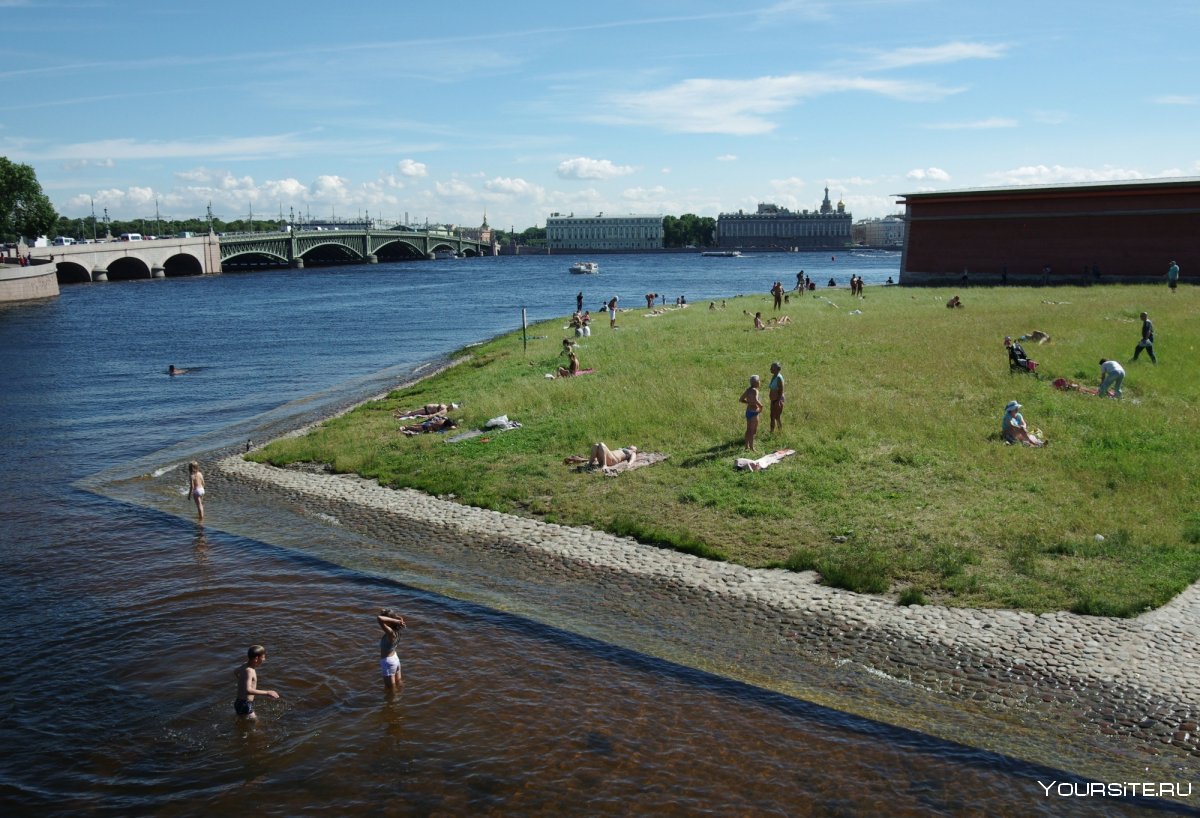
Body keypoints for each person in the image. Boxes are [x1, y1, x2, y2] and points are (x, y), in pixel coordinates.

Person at [233, 645, 280, 720]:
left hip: (238, 702)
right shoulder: (250, 671)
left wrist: (242, 681)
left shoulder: (244, 665)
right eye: (263, 657)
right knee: (256, 724)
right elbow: (248, 690)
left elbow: (235, 672)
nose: (264, 659)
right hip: (245, 704)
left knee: (241, 721)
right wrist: (267, 693)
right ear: (256, 658)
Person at [377, 608, 406, 691]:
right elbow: (382, 616)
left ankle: (394, 703)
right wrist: (396, 618)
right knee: (399, 683)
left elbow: (379, 618)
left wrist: (396, 620)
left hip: (388, 662)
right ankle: (402, 698)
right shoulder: (397, 630)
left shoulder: (390, 633)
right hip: (395, 659)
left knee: (390, 690)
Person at [740, 375, 764, 451]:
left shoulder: (748, 390)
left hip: (748, 411)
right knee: (753, 431)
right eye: (759, 381)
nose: (760, 382)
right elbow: (756, 400)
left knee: (748, 429)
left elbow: (741, 399)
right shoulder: (755, 390)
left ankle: (746, 446)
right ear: (756, 382)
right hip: (754, 412)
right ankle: (752, 447)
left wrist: (748, 402)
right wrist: (761, 406)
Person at [767, 361, 785, 433]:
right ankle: (772, 431)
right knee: (772, 416)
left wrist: (778, 401)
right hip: (774, 400)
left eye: (772, 367)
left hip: (777, 400)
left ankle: (779, 432)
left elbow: (781, 390)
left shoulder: (778, 378)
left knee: (777, 417)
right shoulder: (774, 376)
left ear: (777, 369)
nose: (770, 369)